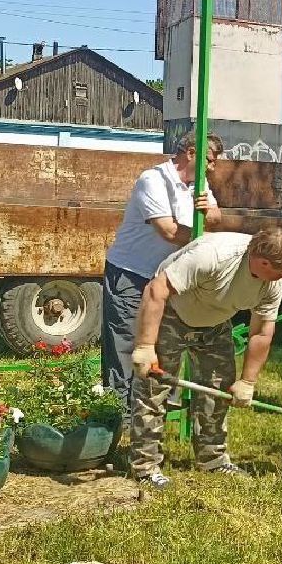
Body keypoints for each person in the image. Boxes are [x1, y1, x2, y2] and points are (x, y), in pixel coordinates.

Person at [126, 228, 282, 488]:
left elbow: (262, 332)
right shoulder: (214, 256)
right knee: (153, 388)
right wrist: (145, 346)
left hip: (216, 321)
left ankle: (213, 460)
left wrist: (248, 382)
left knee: (219, 388)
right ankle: (145, 466)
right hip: (172, 314)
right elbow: (157, 291)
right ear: (263, 262)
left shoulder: (273, 283)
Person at [101, 132, 223, 408]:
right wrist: (205, 242)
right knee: (126, 345)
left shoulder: (199, 183)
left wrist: (209, 213)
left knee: (160, 345)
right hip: (131, 274)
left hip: (164, 279)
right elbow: (168, 231)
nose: (213, 168)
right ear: (191, 153)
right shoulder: (153, 180)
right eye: (211, 161)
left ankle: (152, 408)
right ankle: (119, 416)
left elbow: (216, 216)